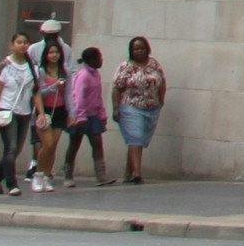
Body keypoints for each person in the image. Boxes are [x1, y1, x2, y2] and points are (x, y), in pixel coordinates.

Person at [0, 33, 39, 196]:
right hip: (7, 110)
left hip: (24, 111)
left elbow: (35, 92)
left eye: (25, 42)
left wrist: (41, 113)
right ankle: (12, 184)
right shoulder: (5, 65)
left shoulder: (33, 67)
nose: (22, 45)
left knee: (16, 150)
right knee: (10, 148)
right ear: (12, 45)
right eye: (19, 42)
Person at [112, 36, 167, 185]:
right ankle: (137, 173)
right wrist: (116, 108)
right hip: (130, 106)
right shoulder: (126, 66)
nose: (139, 51)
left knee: (138, 139)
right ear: (131, 51)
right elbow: (116, 88)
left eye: (142, 48)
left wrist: (161, 100)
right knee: (136, 136)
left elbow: (162, 82)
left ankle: (128, 172)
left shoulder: (154, 64)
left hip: (151, 106)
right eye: (136, 49)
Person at [60, 47, 111, 187]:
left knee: (97, 142)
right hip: (80, 116)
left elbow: (98, 96)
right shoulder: (83, 75)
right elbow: (78, 97)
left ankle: (101, 175)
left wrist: (102, 114)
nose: (101, 60)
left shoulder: (96, 75)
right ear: (91, 60)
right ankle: (68, 174)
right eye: (99, 57)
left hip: (93, 115)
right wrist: (80, 116)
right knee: (74, 144)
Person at [31, 37, 70, 192]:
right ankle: (38, 174)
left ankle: (47, 176)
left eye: (56, 52)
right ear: (46, 55)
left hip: (60, 110)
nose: (54, 55)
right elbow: (38, 92)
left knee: (53, 146)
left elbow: (67, 94)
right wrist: (54, 86)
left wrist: (72, 112)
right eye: (51, 52)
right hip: (45, 111)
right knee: (47, 144)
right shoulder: (40, 71)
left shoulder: (64, 71)